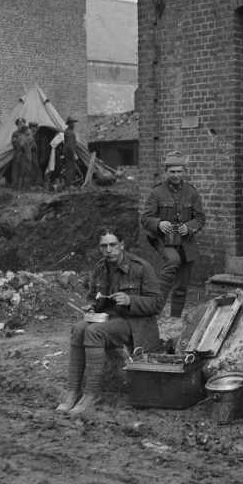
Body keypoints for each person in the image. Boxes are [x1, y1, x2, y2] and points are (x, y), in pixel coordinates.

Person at [55, 226, 163, 415]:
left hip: (135, 324)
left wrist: (130, 300)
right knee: (78, 328)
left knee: (93, 332)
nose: (109, 250)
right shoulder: (100, 268)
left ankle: (92, 394)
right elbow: (92, 296)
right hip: (108, 319)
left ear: (122, 245)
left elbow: (157, 303)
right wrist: (91, 306)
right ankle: (73, 391)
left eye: (113, 245)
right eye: (104, 246)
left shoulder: (141, 267)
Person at [140, 151, 206, 318]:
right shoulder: (157, 192)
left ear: (184, 171)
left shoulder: (192, 192)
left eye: (179, 171)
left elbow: (200, 218)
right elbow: (145, 218)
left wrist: (189, 227)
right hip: (163, 239)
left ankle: (175, 317)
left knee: (182, 284)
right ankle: (155, 311)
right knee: (173, 260)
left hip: (186, 241)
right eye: (172, 171)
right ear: (166, 172)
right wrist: (159, 223)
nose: (176, 175)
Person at [11, 118, 31, 190]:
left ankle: (25, 186)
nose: (21, 125)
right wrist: (19, 144)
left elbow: (30, 142)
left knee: (25, 170)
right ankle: (16, 185)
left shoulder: (27, 133)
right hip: (18, 153)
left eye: (22, 123)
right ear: (17, 125)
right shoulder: (15, 133)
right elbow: (14, 143)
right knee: (16, 170)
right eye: (19, 124)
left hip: (26, 154)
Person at [63, 116, 80, 186]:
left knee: (69, 168)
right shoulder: (70, 133)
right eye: (72, 123)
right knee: (70, 169)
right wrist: (74, 154)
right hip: (69, 153)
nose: (74, 124)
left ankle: (69, 184)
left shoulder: (67, 131)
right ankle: (68, 185)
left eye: (74, 123)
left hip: (68, 152)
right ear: (69, 124)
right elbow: (70, 145)